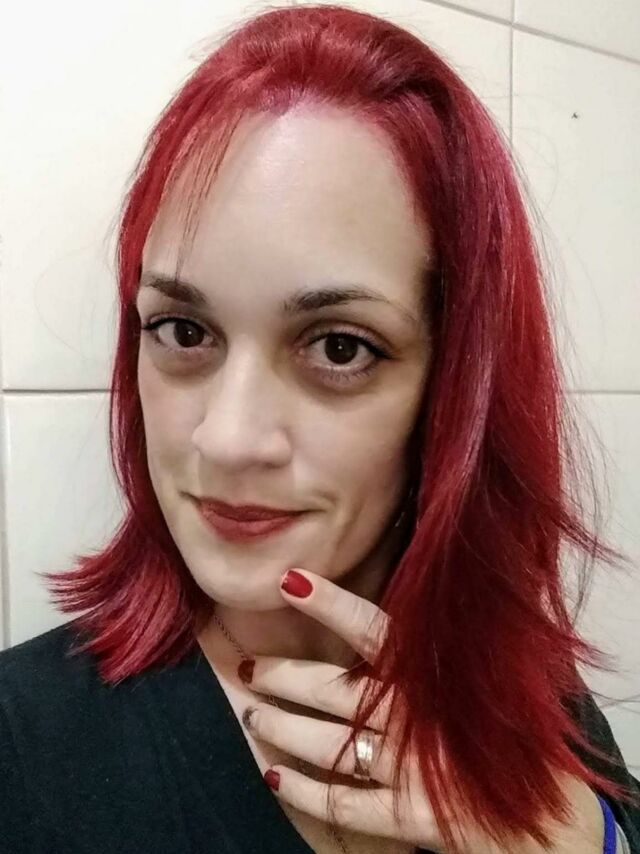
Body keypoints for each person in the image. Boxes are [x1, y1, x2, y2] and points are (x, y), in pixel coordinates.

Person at [1, 4, 638, 853]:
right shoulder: (23, 748)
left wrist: (593, 841)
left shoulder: (514, 683)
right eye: (183, 331)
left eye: (340, 347)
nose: (228, 440)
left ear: (452, 389)